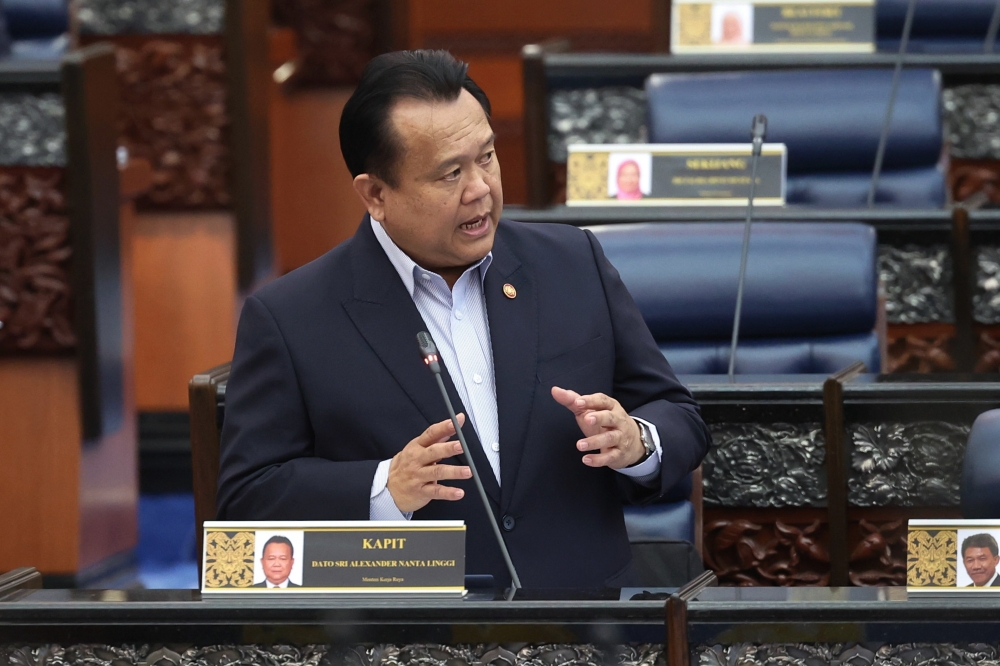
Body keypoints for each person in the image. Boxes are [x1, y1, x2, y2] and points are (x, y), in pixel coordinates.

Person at [216, 49, 711, 589]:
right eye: (450, 173)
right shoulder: (292, 317)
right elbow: (247, 503)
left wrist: (636, 440)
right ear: (376, 195)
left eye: (488, 158)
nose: (480, 189)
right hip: (409, 635)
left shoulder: (573, 262)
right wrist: (385, 487)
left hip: (583, 622)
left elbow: (680, 415)